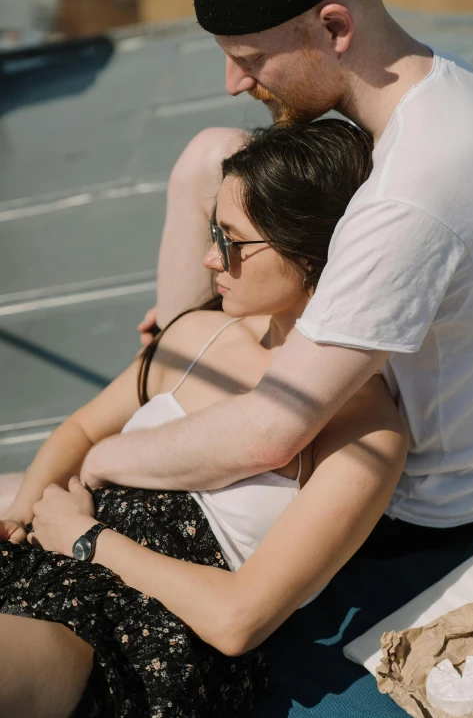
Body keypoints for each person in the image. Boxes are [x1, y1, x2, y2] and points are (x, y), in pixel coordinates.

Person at [83, 0, 473, 584]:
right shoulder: (454, 84)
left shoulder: (408, 198)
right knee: (212, 155)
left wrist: (100, 457)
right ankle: (177, 362)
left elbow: (271, 434)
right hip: (419, 399)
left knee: (56, 502)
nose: (234, 82)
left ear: (334, 27)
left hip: (414, 502)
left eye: (252, 58)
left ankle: (163, 389)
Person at [0, 121, 408, 717]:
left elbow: (238, 619)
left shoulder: (366, 434)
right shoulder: (199, 334)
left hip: (137, 631)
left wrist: (88, 541)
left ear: (310, 251)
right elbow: (82, 430)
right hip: (54, 549)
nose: (209, 256)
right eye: (215, 228)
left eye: (234, 242)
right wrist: (22, 518)